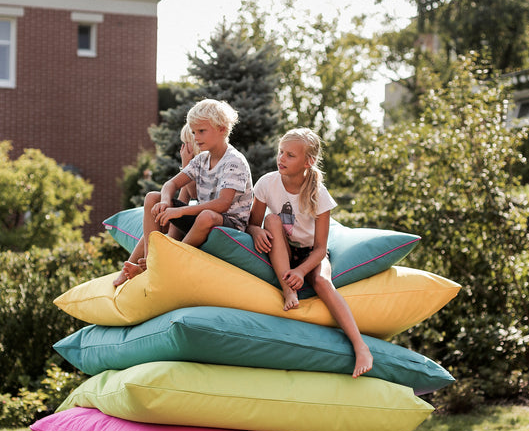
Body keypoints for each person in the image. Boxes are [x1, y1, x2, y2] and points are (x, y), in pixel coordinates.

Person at [247, 127, 373, 378]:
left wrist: (303, 271)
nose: (281, 158)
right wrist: (255, 231)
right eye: (281, 152)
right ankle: (288, 290)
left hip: (310, 255)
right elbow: (252, 222)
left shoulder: (319, 195)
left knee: (322, 281)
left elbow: (320, 249)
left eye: (290, 155)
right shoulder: (267, 183)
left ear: (308, 161)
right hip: (281, 245)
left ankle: (361, 346)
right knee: (272, 221)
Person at [113, 99, 252, 285]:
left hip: (229, 222)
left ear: (222, 129)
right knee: (151, 198)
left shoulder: (234, 161)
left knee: (206, 216)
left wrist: (180, 211)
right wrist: (164, 201)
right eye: (194, 132)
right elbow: (170, 184)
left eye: (201, 131)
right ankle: (151, 261)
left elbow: (223, 203)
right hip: (203, 217)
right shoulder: (201, 159)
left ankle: (167, 261)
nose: (196, 137)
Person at [117, 124, 200, 280]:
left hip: (202, 221)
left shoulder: (201, 165)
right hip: (188, 220)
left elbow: (194, 192)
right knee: (155, 219)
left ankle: (149, 263)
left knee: (159, 216)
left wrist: (186, 165)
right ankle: (138, 263)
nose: (183, 147)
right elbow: (182, 201)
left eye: (186, 142)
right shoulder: (193, 167)